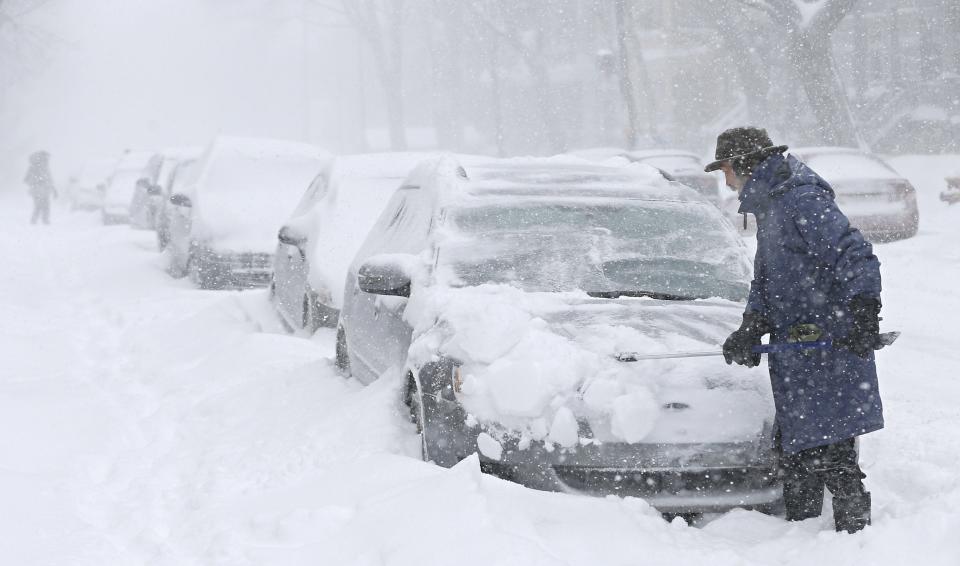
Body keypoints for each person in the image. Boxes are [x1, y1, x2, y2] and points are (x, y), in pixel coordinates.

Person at [705, 127, 884, 534]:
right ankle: (801, 537)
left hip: (828, 346)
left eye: (726, 169)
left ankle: (858, 544)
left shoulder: (801, 198)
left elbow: (855, 255)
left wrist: (864, 311)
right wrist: (751, 327)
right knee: (799, 452)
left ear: (744, 165)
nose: (726, 180)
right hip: (797, 352)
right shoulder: (774, 203)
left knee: (833, 456)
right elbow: (768, 280)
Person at [24, 150, 57, 224]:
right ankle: (34, 221)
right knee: (39, 206)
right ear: (42, 157)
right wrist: (37, 181)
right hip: (37, 191)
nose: (48, 159)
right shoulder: (35, 167)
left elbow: (49, 179)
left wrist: (54, 190)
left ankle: (44, 220)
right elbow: (27, 179)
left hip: (44, 190)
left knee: (45, 205)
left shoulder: (45, 167)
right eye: (47, 157)